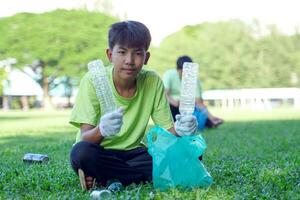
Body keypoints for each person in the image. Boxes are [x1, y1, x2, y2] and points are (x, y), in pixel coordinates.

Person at [69, 21, 198, 191]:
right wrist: (102, 129)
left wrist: (182, 130)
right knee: (81, 153)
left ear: (146, 57)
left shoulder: (152, 81)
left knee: (190, 151)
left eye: (137, 53)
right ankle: (137, 177)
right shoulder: (93, 80)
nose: (129, 60)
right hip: (101, 152)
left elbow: (168, 132)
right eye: (122, 52)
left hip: (135, 154)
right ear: (109, 55)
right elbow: (85, 138)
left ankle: (107, 177)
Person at [163, 55, 223, 129]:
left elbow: (198, 101)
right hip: (173, 106)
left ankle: (211, 121)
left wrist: (212, 116)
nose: (186, 74)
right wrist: (176, 103)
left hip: (189, 107)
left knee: (199, 117)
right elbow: (165, 94)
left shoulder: (194, 79)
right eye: (184, 71)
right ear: (178, 69)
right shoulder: (169, 74)